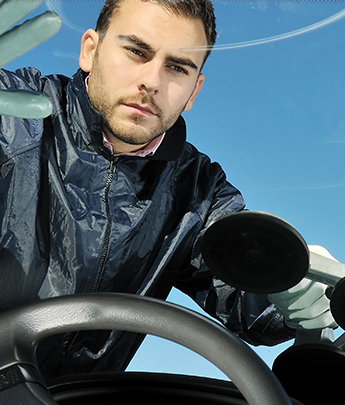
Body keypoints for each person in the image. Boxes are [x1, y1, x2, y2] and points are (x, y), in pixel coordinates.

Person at [0, 0, 336, 381]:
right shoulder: (14, 115)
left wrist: (288, 284)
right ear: (90, 51)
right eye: (136, 51)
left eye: (177, 67)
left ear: (194, 90)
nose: (152, 82)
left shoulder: (197, 190)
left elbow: (245, 290)